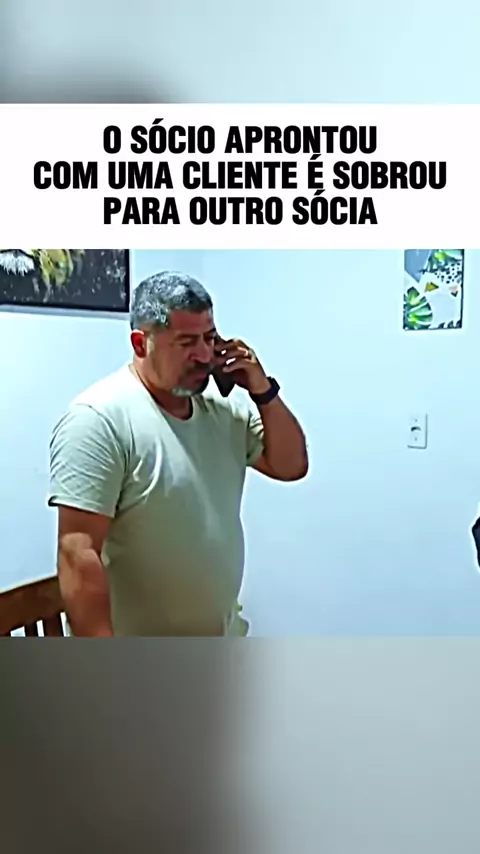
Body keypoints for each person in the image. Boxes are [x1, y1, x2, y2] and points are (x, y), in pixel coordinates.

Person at [48, 271, 308, 636]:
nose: (203, 355)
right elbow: (78, 552)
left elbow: (291, 465)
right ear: (141, 343)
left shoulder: (223, 409)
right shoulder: (98, 419)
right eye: (186, 342)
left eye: (210, 338)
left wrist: (262, 390)